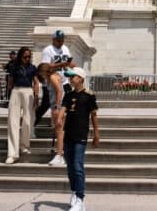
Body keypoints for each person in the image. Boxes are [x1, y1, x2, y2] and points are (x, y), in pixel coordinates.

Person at [61, 68, 99, 211]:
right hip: (68, 135)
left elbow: (94, 116)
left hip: (81, 135)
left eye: (73, 77)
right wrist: (59, 118)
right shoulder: (68, 95)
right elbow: (63, 109)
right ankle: (74, 192)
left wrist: (96, 134)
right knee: (70, 167)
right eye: (69, 77)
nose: (71, 79)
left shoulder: (89, 96)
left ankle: (80, 198)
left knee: (77, 166)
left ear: (81, 78)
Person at [4, 46, 40, 164]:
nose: (27, 59)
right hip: (16, 90)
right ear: (20, 56)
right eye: (25, 57)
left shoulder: (32, 68)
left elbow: (36, 82)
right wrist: (10, 94)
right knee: (13, 122)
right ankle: (12, 153)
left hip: (28, 92)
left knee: (28, 121)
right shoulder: (14, 67)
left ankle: (25, 145)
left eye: (29, 57)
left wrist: (36, 96)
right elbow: (10, 82)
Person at [37, 30, 74, 122]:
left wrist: (71, 65)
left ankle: (60, 125)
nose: (60, 42)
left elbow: (68, 63)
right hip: (51, 82)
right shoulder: (48, 50)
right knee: (45, 105)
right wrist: (61, 64)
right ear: (53, 39)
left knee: (65, 105)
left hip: (64, 81)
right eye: (58, 40)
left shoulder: (65, 48)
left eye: (62, 40)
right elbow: (45, 67)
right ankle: (33, 123)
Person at [38, 62, 66, 168]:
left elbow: (59, 91)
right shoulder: (51, 78)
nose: (40, 75)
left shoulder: (53, 77)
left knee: (59, 131)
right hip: (56, 105)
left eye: (41, 72)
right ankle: (59, 153)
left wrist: (56, 107)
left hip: (58, 107)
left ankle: (60, 155)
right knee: (58, 130)